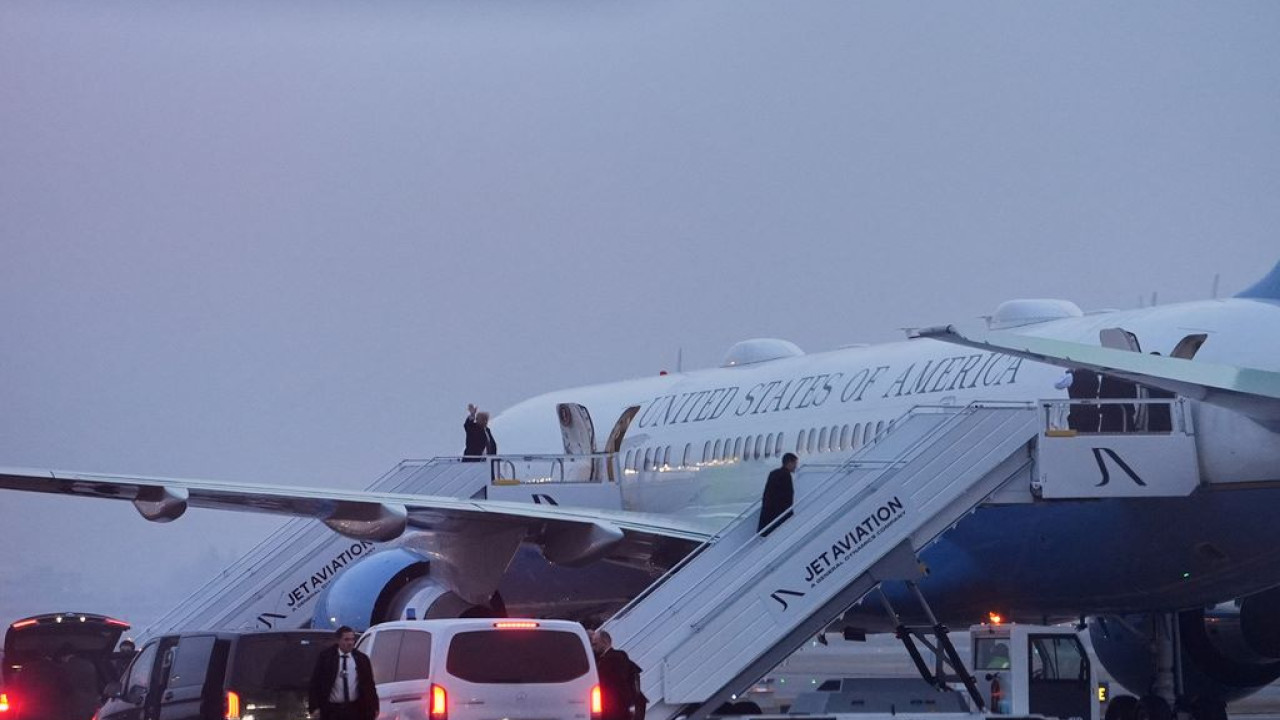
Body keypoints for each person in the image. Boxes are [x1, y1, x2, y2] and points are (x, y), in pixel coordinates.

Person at [308, 626, 378, 720]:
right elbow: (315, 683)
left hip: (355, 709)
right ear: (338, 640)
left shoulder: (361, 659)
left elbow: (369, 684)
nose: (350, 643)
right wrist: (314, 707)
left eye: (352, 639)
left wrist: (374, 706)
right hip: (332, 710)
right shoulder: (326, 658)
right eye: (346, 639)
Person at [591, 630, 645, 720]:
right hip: (617, 706)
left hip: (619, 707)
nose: (593, 647)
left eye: (595, 644)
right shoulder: (613, 657)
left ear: (604, 642)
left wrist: (630, 705)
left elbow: (622, 683)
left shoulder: (614, 659)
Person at [757, 453, 798, 535]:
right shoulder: (786, 476)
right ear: (789, 463)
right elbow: (786, 497)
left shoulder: (773, 473)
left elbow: (768, 495)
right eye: (795, 464)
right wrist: (789, 514)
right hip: (777, 516)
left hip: (767, 515)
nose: (796, 466)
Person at [1063, 368, 1100, 433]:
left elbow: (1057, 384)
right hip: (1092, 413)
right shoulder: (1094, 376)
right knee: (1092, 437)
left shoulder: (1072, 376)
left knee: (1077, 439)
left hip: (1077, 413)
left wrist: (1068, 375)